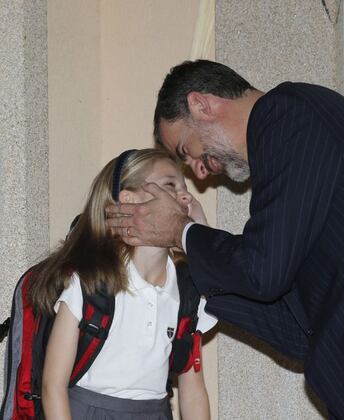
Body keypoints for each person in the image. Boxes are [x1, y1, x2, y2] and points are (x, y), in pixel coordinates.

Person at [106, 60, 344, 419]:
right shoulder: (282, 149)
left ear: (201, 105)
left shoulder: (286, 116)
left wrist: (181, 232)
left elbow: (262, 271)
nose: (200, 171)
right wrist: (194, 257)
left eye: (186, 151)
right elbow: (296, 330)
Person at [31, 148, 216, 419]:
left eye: (184, 188)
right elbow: (53, 386)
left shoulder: (187, 291)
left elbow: (193, 389)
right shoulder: (91, 282)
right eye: (169, 185)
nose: (185, 195)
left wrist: (202, 241)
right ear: (129, 202)